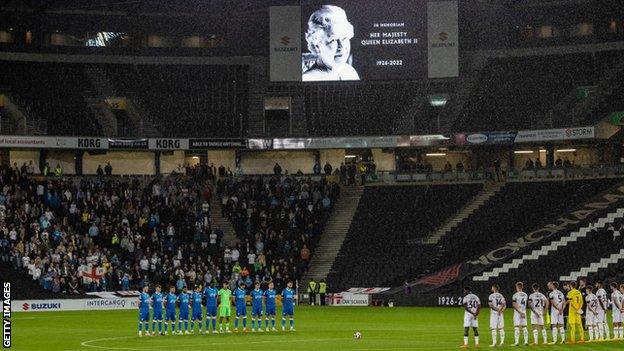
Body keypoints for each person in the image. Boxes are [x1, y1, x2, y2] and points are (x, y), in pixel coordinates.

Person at [303, 5, 359, 82]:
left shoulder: (350, 72)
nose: (341, 46)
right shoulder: (308, 79)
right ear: (317, 46)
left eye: (344, 38)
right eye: (333, 40)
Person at [512, 282, 529, 346]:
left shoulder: (515, 295)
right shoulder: (525, 294)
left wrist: (519, 312)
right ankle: (526, 342)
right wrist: (522, 312)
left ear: (517, 287)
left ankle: (516, 342)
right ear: (522, 287)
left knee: (516, 327)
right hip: (523, 312)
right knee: (524, 327)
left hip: (517, 312)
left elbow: (514, 304)